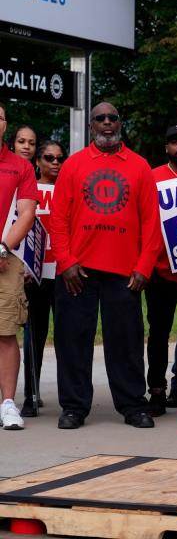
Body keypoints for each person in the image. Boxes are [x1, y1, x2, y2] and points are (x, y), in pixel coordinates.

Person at [48, 102, 161, 431]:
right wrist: (66, 261)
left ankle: (132, 404)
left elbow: (151, 223)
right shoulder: (73, 165)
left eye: (112, 118)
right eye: (101, 119)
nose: (107, 123)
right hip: (77, 271)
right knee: (72, 340)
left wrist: (144, 266)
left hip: (124, 272)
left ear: (119, 124)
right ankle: (73, 407)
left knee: (126, 341)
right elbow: (58, 219)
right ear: (92, 126)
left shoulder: (139, 166)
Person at [144, 125, 177, 416]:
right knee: (159, 332)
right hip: (161, 270)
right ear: (167, 148)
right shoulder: (153, 177)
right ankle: (157, 391)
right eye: (175, 142)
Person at [0, 106, 40, 431]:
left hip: (4, 256)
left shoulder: (20, 166)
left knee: (6, 331)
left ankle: (8, 403)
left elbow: (27, 212)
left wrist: (3, 246)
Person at [20, 140, 64, 418]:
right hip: (34, 274)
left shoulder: (68, 189)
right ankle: (30, 396)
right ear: (38, 161)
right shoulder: (28, 190)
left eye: (60, 158)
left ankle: (69, 397)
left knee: (65, 338)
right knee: (34, 336)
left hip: (63, 274)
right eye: (49, 158)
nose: (55, 163)